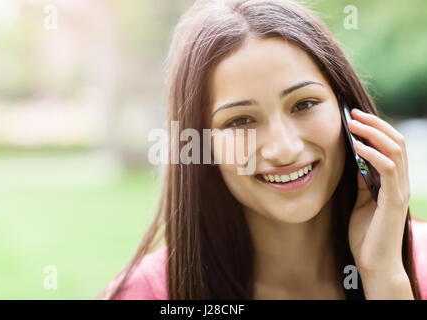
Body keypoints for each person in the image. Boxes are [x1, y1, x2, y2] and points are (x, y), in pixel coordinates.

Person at [100, 0, 427, 299]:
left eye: (304, 104)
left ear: (346, 108)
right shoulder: (145, 293)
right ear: (201, 144)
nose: (284, 149)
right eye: (241, 120)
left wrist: (384, 275)